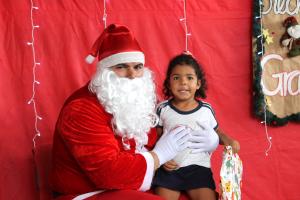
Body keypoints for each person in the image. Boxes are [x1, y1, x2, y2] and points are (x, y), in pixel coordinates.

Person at [50, 24, 218, 200]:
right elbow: (108, 173)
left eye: (138, 67)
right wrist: (158, 156)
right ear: (105, 71)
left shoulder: (138, 101)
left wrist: (209, 144)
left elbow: (158, 140)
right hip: (88, 192)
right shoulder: (81, 108)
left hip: (133, 184)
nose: (132, 74)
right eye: (122, 66)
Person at [152, 53, 240, 200]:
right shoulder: (163, 108)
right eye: (176, 78)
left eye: (189, 78)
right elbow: (157, 137)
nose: (183, 83)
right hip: (170, 168)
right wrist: (161, 158)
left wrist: (229, 141)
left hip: (198, 169)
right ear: (168, 83)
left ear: (198, 83)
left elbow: (216, 131)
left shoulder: (206, 109)